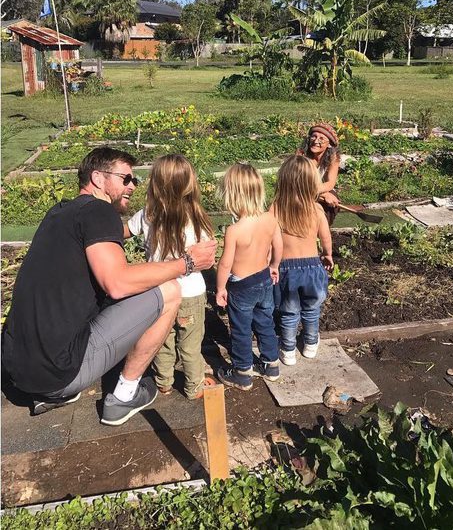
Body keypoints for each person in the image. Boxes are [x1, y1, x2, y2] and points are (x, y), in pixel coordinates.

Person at [2, 147, 216, 425]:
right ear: (98, 179)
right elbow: (116, 284)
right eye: (125, 179)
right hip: (58, 372)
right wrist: (187, 263)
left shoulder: (59, 213)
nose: (132, 186)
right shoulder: (99, 210)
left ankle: (57, 393)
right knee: (169, 289)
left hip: (19, 370)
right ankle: (125, 395)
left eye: (135, 180)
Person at [126, 154, 215, 400]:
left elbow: (124, 231)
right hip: (191, 293)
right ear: (189, 183)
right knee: (190, 345)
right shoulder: (196, 216)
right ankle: (194, 387)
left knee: (162, 341)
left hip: (159, 291)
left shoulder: (147, 214)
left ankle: (163, 383)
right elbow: (208, 255)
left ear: (155, 183)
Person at [215, 163, 282, 391]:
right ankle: (271, 364)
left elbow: (225, 263)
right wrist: (274, 265)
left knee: (241, 329)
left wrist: (221, 288)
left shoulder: (234, 230)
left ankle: (243, 372)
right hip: (264, 279)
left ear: (232, 195)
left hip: (241, 286)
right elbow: (278, 246)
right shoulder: (270, 220)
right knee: (265, 322)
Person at [271, 155, 333, 365]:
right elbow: (325, 237)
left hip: (286, 268)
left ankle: (288, 350)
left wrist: (269, 263)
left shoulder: (276, 207)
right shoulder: (315, 208)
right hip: (312, 266)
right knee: (311, 308)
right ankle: (310, 344)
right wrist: (327, 255)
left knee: (288, 311)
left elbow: (268, 237)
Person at [298, 122, 341, 225]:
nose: (316, 141)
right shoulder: (302, 155)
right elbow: (299, 182)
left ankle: (322, 231)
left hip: (317, 189)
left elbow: (330, 183)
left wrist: (323, 194)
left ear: (329, 144)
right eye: (314, 136)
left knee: (333, 200)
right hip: (300, 189)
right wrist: (323, 195)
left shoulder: (333, 158)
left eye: (321, 138)